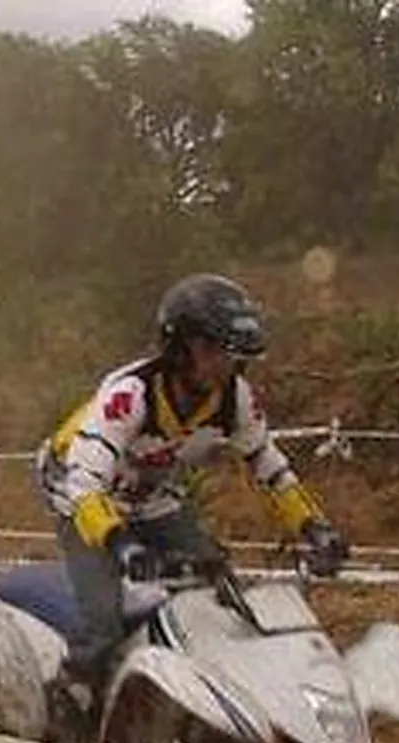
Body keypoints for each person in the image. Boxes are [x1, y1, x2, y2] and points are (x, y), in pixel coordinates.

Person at [35, 272, 349, 715]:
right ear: (179, 348)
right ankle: (71, 692)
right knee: (102, 620)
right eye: (212, 350)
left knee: (218, 585)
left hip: (150, 495)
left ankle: (204, 688)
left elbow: (271, 469)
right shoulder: (130, 396)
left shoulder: (235, 400)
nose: (224, 366)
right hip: (77, 490)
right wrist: (122, 545)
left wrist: (315, 528)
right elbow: (84, 482)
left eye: (232, 355)